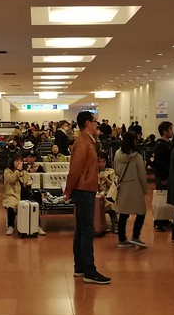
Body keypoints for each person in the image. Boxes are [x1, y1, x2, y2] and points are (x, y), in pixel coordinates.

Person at [63, 111, 110, 285]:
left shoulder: (89, 140)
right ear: (88, 123)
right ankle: (89, 269)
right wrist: (68, 191)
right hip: (83, 190)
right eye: (95, 121)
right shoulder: (82, 142)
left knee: (82, 229)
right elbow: (74, 169)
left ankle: (80, 267)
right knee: (87, 230)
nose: (97, 124)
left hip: (86, 188)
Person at [113, 132, 148, 248]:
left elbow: (115, 170)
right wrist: (144, 189)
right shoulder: (137, 157)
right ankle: (136, 236)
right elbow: (142, 174)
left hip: (123, 186)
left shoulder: (117, 154)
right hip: (136, 187)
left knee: (123, 214)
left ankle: (122, 239)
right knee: (141, 212)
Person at [2, 154, 46, 236]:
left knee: (34, 206)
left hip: (24, 194)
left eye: (20, 161)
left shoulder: (25, 172)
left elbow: (27, 183)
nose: (19, 163)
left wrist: (29, 184)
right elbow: (11, 179)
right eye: (17, 161)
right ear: (13, 162)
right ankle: (11, 226)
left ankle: (37, 226)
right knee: (11, 206)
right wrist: (18, 171)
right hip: (12, 194)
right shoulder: (7, 171)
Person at [152, 121, 174, 231]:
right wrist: (163, 178)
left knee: (165, 198)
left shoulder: (167, 144)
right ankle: (158, 221)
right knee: (160, 199)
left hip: (166, 175)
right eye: (170, 129)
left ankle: (165, 218)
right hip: (162, 176)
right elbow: (160, 163)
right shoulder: (161, 145)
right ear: (164, 131)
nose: (172, 131)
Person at [97, 152, 118, 234]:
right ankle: (102, 224)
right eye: (99, 162)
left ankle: (115, 223)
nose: (101, 164)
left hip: (108, 194)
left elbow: (114, 185)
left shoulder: (111, 171)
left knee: (110, 203)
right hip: (97, 194)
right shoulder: (93, 171)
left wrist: (105, 179)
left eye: (103, 162)